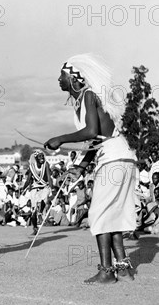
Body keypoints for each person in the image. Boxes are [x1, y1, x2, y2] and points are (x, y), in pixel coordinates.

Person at [44, 54, 137, 283]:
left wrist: (61, 139)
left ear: (74, 79)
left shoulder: (88, 95)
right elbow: (96, 140)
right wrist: (80, 167)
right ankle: (123, 269)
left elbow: (90, 131)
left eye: (62, 75)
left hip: (113, 159)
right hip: (121, 156)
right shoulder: (89, 98)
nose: (58, 80)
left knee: (98, 214)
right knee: (112, 215)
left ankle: (106, 272)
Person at [20, 150, 53, 236]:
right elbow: (28, 179)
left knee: (43, 200)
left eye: (43, 156)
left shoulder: (46, 164)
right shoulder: (32, 166)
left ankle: (40, 213)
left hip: (45, 186)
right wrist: (23, 188)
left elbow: (49, 177)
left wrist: (52, 189)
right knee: (33, 211)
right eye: (40, 156)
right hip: (35, 188)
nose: (42, 158)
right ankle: (35, 228)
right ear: (36, 158)